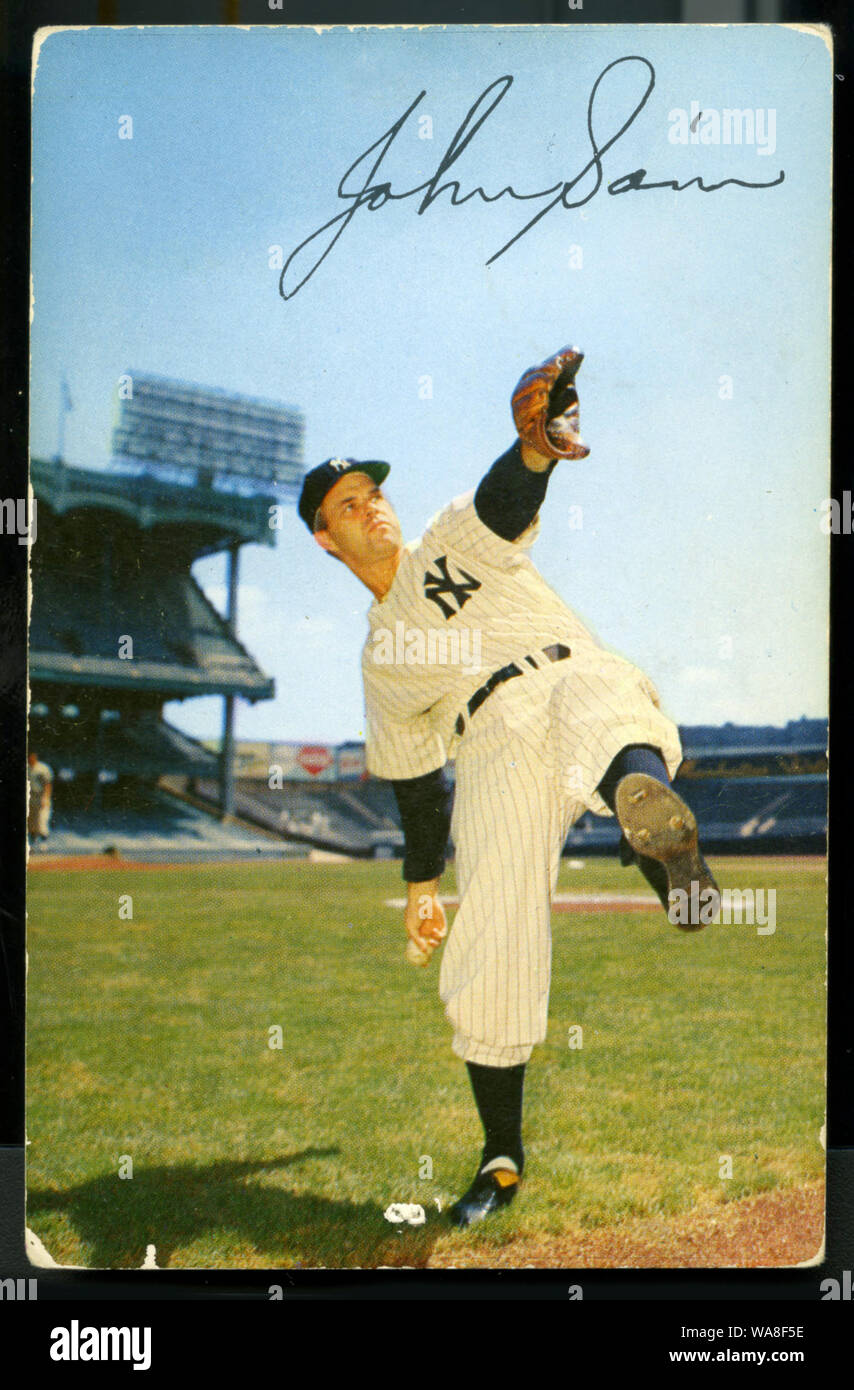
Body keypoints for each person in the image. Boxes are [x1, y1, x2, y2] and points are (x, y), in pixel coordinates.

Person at [299, 346, 719, 1228]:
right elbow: (418, 790)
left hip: (564, 673)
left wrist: (533, 448)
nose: (370, 503)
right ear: (323, 539)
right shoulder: (382, 663)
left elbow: (505, 499)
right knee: (490, 929)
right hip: (489, 740)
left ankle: (672, 860)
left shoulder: (447, 542)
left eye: (373, 490)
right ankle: (502, 1160)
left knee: (601, 704)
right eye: (347, 503)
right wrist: (421, 889)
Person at [28, 751, 54, 845]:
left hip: (41, 796)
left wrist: (46, 798)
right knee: (31, 823)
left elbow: (47, 783)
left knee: (42, 821)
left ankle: (44, 843)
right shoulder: (27, 768)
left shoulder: (42, 768)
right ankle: (34, 844)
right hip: (30, 797)